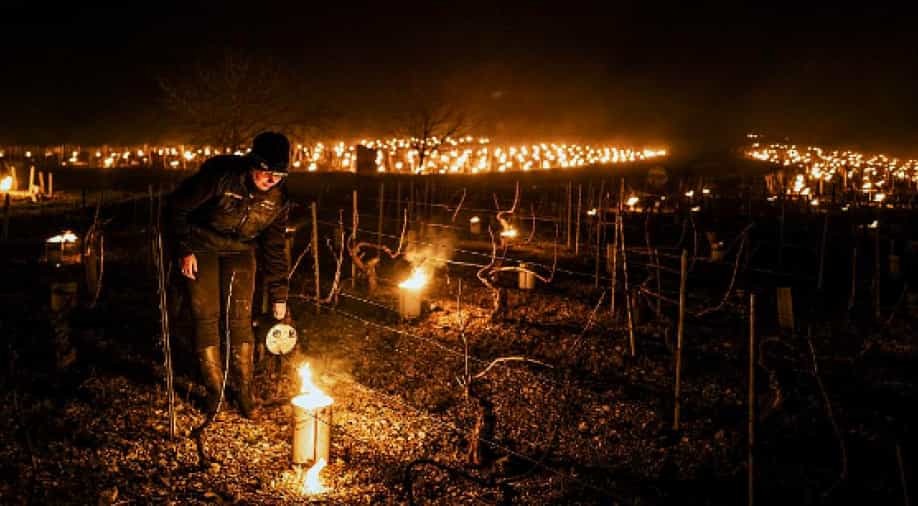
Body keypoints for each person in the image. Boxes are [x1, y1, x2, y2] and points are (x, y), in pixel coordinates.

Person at [168, 131, 291, 419]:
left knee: (240, 318)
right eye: (266, 171)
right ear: (252, 164)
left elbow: (274, 247)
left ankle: (245, 392)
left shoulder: (279, 198)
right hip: (202, 244)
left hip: (241, 250)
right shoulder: (220, 178)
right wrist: (184, 249)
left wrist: (279, 294)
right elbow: (177, 207)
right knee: (206, 315)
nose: (271, 179)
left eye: (279, 174)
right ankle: (215, 392)